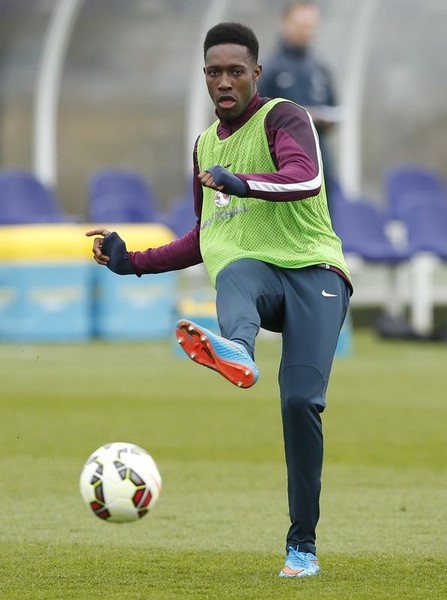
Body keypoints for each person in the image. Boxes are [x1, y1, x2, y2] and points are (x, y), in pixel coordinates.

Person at [86, 21, 352, 578]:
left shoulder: (284, 116)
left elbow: (303, 179)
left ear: (256, 72)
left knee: (301, 403)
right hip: (254, 278)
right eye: (214, 71)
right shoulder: (205, 147)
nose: (224, 81)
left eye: (236, 70)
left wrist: (241, 182)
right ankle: (236, 347)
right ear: (204, 77)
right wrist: (129, 259)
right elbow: (205, 237)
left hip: (315, 274)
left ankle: (301, 546)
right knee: (233, 266)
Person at [258, 0, 341, 209]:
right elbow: (257, 116)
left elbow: (334, 108)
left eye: (311, 26)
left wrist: (325, 119)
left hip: (319, 159)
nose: (307, 31)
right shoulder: (269, 67)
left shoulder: (320, 68)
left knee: (321, 223)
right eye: (301, 24)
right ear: (284, 23)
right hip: (280, 162)